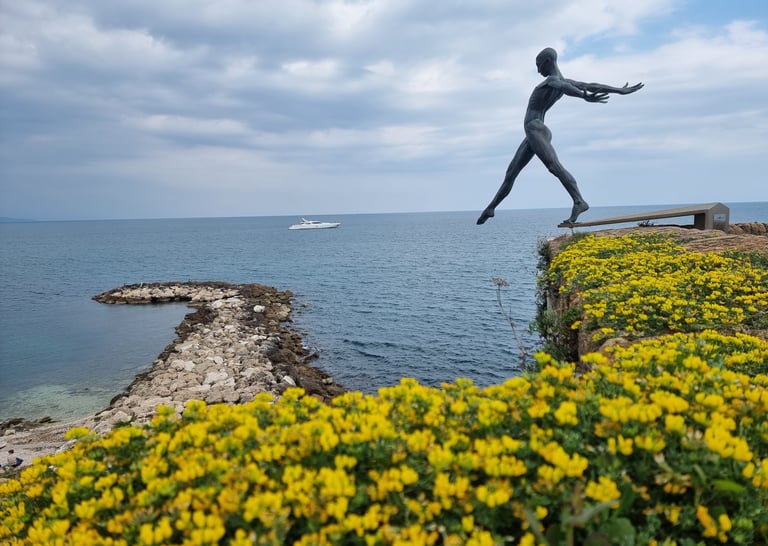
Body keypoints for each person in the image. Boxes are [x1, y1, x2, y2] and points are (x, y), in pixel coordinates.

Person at [477, 47, 643, 225]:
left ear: (547, 62)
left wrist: (582, 96)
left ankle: (579, 201)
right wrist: (618, 90)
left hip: (535, 129)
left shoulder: (553, 81)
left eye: (538, 65)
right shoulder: (560, 80)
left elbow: (566, 87)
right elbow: (590, 85)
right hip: (534, 131)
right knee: (511, 172)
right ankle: (491, 208)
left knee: (553, 166)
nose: (538, 70)